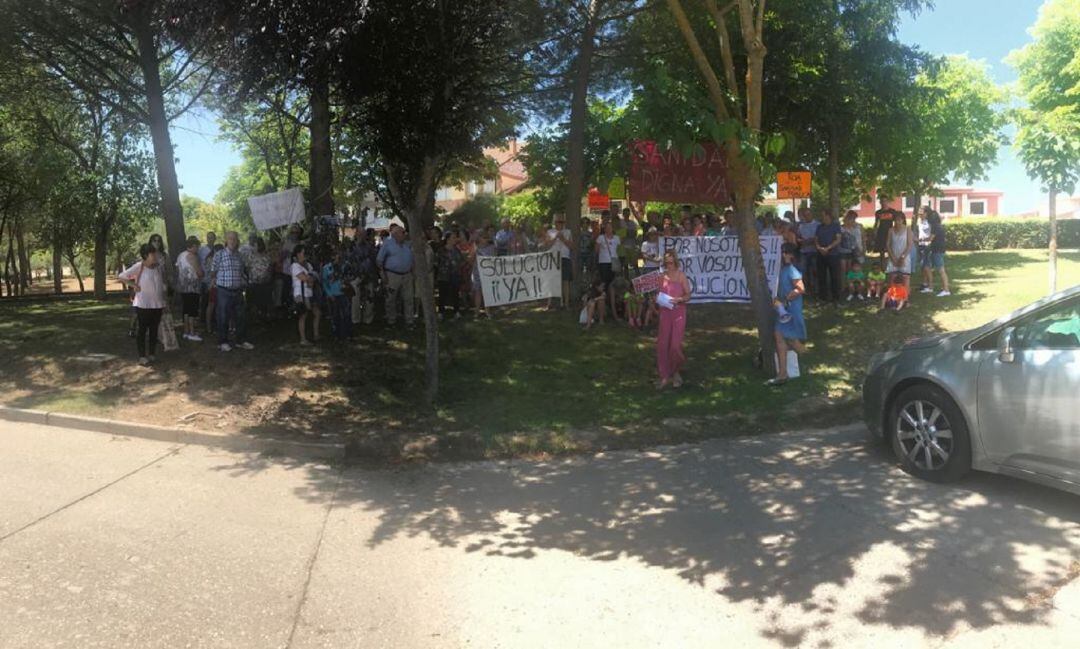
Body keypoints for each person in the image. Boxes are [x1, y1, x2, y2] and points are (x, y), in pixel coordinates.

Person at [118, 244, 168, 366]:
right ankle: (142, 356)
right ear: (146, 255)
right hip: (143, 305)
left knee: (154, 330)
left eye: (155, 253)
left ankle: (152, 354)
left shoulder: (158, 267)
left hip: (157, 304)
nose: (155, 256)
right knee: (142, 330)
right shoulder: (138, 266)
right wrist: (134, 285)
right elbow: (121, 277)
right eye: (153, 254)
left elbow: (161, 284)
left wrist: (164, 299)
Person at [767, 243, 808, 386]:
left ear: (789, 255)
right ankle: (782, 373)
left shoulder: (791, 270)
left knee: (791, 340)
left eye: (784, 252)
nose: (781, 255)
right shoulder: (780, 270)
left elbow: (800, 289)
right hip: (782, 310)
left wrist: (785, 300)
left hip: (791, 309)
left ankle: (808, 359)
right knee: (779, 336)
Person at [212, 231, 254, 352]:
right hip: (223, 291)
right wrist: (216, 282)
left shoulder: (240, 256)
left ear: (237, 241)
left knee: (241, 316)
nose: (232, 241)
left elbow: (242, 272)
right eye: (230, 239)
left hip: (238, 290)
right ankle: (223, 342)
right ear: (226, 240)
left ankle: (240, 341)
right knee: (223, 317)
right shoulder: (219, 254)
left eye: (234, 239)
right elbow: (213, 271)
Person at [655, 250, 691, 390]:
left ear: (675, 261)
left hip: (678, 312)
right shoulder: (662, 276)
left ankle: (676, 371)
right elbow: (658, 293)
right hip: (665, 312)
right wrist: (656, 299)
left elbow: (688, 295)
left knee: (675, 346)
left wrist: (680, 299)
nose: (669, 265)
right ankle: (664, 375)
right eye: (666, 262)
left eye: (671, 262)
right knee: (663, 345)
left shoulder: (681, 275)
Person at [377, 224, 415, 327]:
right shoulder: (387, 244)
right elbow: (379, 260)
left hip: (407, 275)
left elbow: (412, 259)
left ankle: (409, 321)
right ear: (396, 234)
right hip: (392, 275)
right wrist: (383, 275)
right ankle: (391, 320)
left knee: (408, 298)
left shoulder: (408, 244)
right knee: (391, 299)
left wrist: (412, 271)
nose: (405, 234)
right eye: (403, 232)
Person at [290, 244, 321, 345]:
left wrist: (311, 278)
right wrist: (310, 278)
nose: (305, 255)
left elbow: (314, 278)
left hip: (309, 293)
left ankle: (316, 335)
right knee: (303, 315)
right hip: (300, 294)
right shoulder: (294, 266)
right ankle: (303, 339)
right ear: (298, 254)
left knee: (317, 313)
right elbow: (305, 278)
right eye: (303, 253)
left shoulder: (308, 265)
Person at [176, 236, 204, 342]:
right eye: (197, 247)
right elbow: (199, 272)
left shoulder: (180, 255)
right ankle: (192, 332)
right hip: (192, 286)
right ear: (193, 246)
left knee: (186, 310)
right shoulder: (192, 256)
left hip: (183, 286)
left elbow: (178, 269)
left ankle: (186, 331)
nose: (198, 249)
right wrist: (202, 273)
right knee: (192, 309)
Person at [321, 246, 351, 340]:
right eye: (336, 254)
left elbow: (349, 276)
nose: (338, 256)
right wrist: (329, 294)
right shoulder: (327, 268)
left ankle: (347, 334)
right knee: (335, 315)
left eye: (339, 254)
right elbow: (324, 282)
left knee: (346, 314)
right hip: (333, 295)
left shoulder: (345, 265)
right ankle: (336, 334)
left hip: (343, 293)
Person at [545, 215, 574, 309]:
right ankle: (549, 303)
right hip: (553, 257)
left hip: (565, 257)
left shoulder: (568, 232)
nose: (560, 224)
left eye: (562, 222)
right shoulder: (550, 232)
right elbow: (547, 246)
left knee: (566, 281)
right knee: (551, 280)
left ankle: (566, 304)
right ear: (555, 223)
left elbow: (571, 246)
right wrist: (555, 238)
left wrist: (563, 239)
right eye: (558, 222)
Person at [814, 211, 843, 303]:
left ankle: (836, 297)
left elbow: (838, 239)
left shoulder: (835, 226)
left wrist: (827, 248)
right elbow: (816, 239)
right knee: (821, 277)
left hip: (833, 254)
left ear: (829, 216)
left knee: (835, 277)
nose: (822, 218)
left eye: (824, 216)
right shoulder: (819, 227)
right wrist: (819, 248)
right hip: (821, 254)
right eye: (821, 216)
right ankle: (823, 297)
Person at [921, 209, 951, 296]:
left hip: (937, 250)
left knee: (941, 270)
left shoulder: (935, 226)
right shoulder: (939, 225)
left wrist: (920, 239)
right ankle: (940, 288)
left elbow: (931, 238)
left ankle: (946, 290)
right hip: (938, 249)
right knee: (937, 268)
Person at [245, 237, 274, 322]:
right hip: (253, 283)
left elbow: (270, 269)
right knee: (252, 302)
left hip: (265, 284)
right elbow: (246, 268)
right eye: (256, 245)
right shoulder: (250, 256)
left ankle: (264, 317)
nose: (257, 246)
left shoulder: (267, 256)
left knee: (264, 302)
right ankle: (253, 317)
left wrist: (267, 278)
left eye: (258, 244)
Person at [595, 221, 620, 318]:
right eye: (607, 228)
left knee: (613, 284)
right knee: (604, 283)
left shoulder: (617, 238)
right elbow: (596, 250)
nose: (609, 229)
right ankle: (602, 308)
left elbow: (619, 249)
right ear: (604, 229)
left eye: (610, 227)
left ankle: (612, 306)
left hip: (614, 263)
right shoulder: (600, 238)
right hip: (603, 263)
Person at [436, 231, 463, 318]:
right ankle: (441, 312)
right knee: (443, 294)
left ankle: (456, 311)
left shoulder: (457, 250)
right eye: (453, 238)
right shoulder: (441, 250)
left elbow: (460, 261)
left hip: (454, 275)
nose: (455, 239)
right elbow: (437, 262)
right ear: (448, 240)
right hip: (443, 276)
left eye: (455, 238)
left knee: (455, 294)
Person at [885, 212, 914, 292]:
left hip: (905, 257)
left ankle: (905, 299)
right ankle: (892, 298)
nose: (897, 222)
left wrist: (902, 258)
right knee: (892, 277)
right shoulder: (891, 230)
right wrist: (893, 258)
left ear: (903, 220)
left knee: (905, 278)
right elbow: (888, 245)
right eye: (895, 220)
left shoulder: (908, 229)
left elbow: (909, 245)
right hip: (893, 256)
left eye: (899, 220)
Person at [470, 233, 496, 317]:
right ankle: (477, 311)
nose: (485, 239)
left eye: (486, 237)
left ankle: (487, 311)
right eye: (483, 237)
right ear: (479, 238)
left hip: (488, 272)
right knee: (478, 292)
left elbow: (494, 259)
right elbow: (470, 260)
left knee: (487, 292)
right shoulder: (475, 247)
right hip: (477, 272)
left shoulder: (492, 247)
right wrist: (474, 251)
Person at [795, 207, 819, 296]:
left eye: (808, 214)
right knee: (804, 271)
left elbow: (818, 237)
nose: (806, 216)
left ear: (812, 214)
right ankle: (806, 289)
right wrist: (801, 241)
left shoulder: (817, 225)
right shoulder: (801, 226)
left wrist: (809, 241)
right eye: (805, 215)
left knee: (815, 271)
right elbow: (798, 237)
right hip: (804, 251)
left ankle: (816, 289)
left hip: (814, 251)